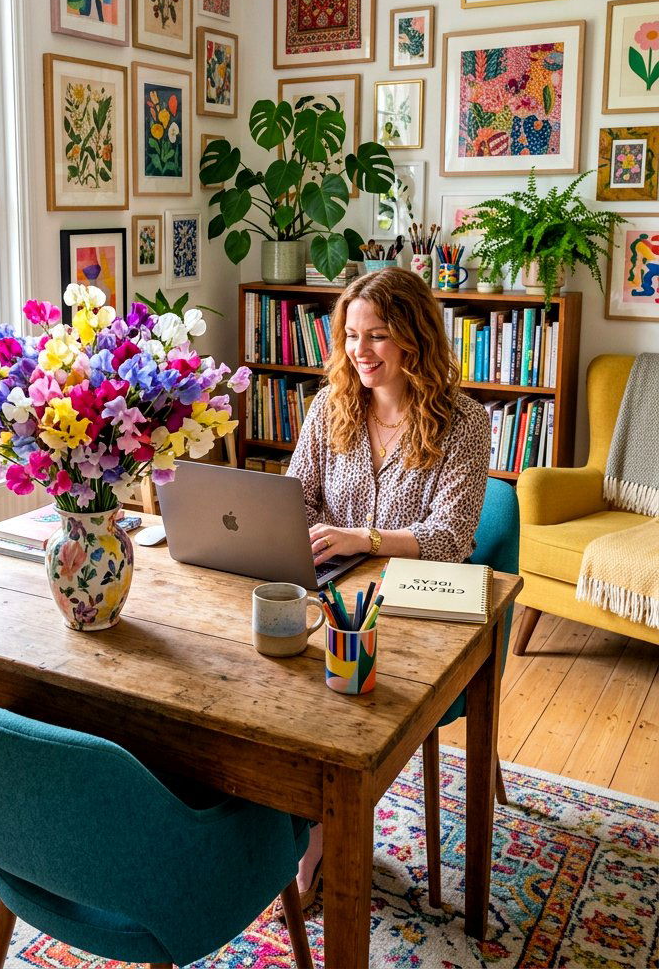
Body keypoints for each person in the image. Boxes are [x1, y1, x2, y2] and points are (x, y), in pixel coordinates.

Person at [285, 266, 491, 908]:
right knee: (265, 674)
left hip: (413, 608)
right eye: (350, 335)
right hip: (329, 589)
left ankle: (318, 831)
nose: (360, 352)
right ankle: (280, 817)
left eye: (377, 335)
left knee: (337, 693)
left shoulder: (464, 422)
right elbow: (300, 497)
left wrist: (363, 537)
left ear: (413, 338)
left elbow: (451, 536)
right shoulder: (330, 406)